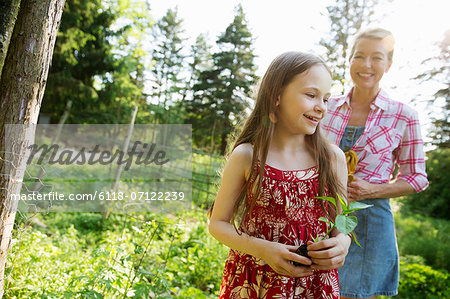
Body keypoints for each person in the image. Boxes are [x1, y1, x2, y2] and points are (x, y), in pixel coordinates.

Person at [208, 51, 352, 298]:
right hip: (255, 280)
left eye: (326, 99)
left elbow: (342, 226)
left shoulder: (332, 158)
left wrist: (342, 245)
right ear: (276, 96)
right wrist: (263, 249)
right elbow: (217, 223)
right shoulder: (248, 156)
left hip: (315, 285)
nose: (321, 107)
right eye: (311, 95)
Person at [321, 28, 429, 299]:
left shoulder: (404, 115)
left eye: (377, 58)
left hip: (370, 221)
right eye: (359, 56)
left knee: (354, 294)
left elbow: (417, 178)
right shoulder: (327, 108)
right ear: (349, 61)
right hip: (321, 213)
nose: (366, 65)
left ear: (388, 65)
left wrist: (373, 189)